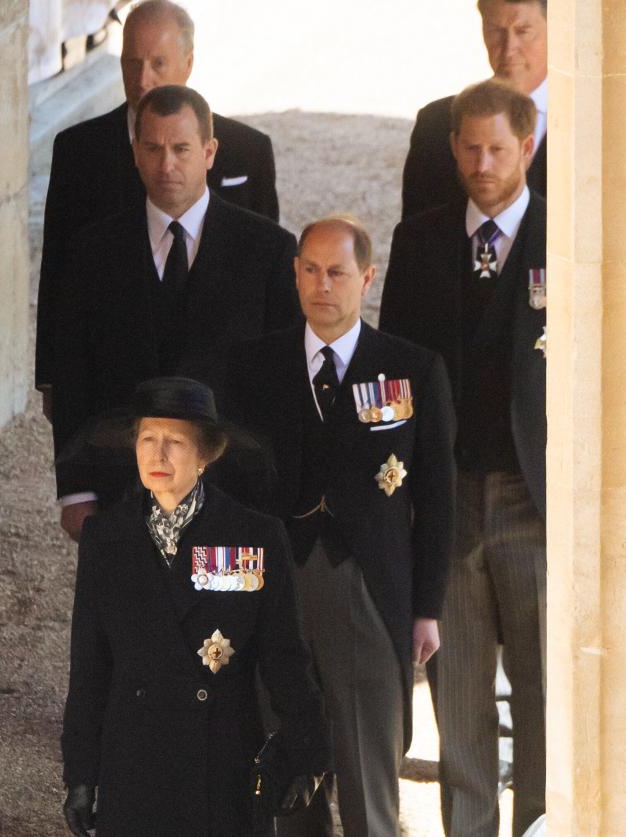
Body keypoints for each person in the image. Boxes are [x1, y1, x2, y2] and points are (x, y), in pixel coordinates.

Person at [229, 217, 456, 836]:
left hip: (366, 587)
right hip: (277, 587)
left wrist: (426, 607)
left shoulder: (412, 369)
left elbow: (437, 500)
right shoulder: (255, 365)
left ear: (367, 278)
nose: (321, 285)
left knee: (366, 784)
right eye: (309, 269)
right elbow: (236, 487)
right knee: (286, 774)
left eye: (336, 272)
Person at [380, 79, 547, 836]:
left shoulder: (573, 239)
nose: (483, 165)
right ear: (451, 149)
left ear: (529, 148)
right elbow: (394, 378)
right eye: (470, 148)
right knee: (460, 702)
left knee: (550, 699)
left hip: (535, 499)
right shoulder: (419, 242)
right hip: (446, 504)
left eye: (499, 150)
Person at [60, 376, 330, 837]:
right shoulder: (106, 539)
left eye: (175, 442)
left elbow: (285, 654)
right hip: (135, 767)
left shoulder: (255, 538)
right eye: (147, 439)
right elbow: (90, 667)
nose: (158, 455)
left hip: (222, 763)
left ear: (208, 454)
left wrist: (308, 752)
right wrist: (81, 775)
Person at [50, 83, 300, 543]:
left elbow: (285, 380)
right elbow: (72, 374)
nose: (167, 165)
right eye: (154, 148)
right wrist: (75, 490)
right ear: (136, 152)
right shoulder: (92, 251)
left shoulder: (269, 252)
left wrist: (278, 493)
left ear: (209, 152)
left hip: (233, 491)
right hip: (120, 488)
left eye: (181, 149)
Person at [36, 0, 280, 403]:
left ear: (188, 63)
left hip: (220, 378)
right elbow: (58, 262)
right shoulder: (79, 150)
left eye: (158, 63)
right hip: (115, 366)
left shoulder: (246, 152)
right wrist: (51, 376)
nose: (142, 78)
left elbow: (267, 268)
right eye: (131, 63)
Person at [400, 0, 547, 219]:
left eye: (523, 31)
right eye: (496, 30)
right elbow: (416, 238)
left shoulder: (593, 125)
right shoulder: (436, 123)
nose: (508, 49)